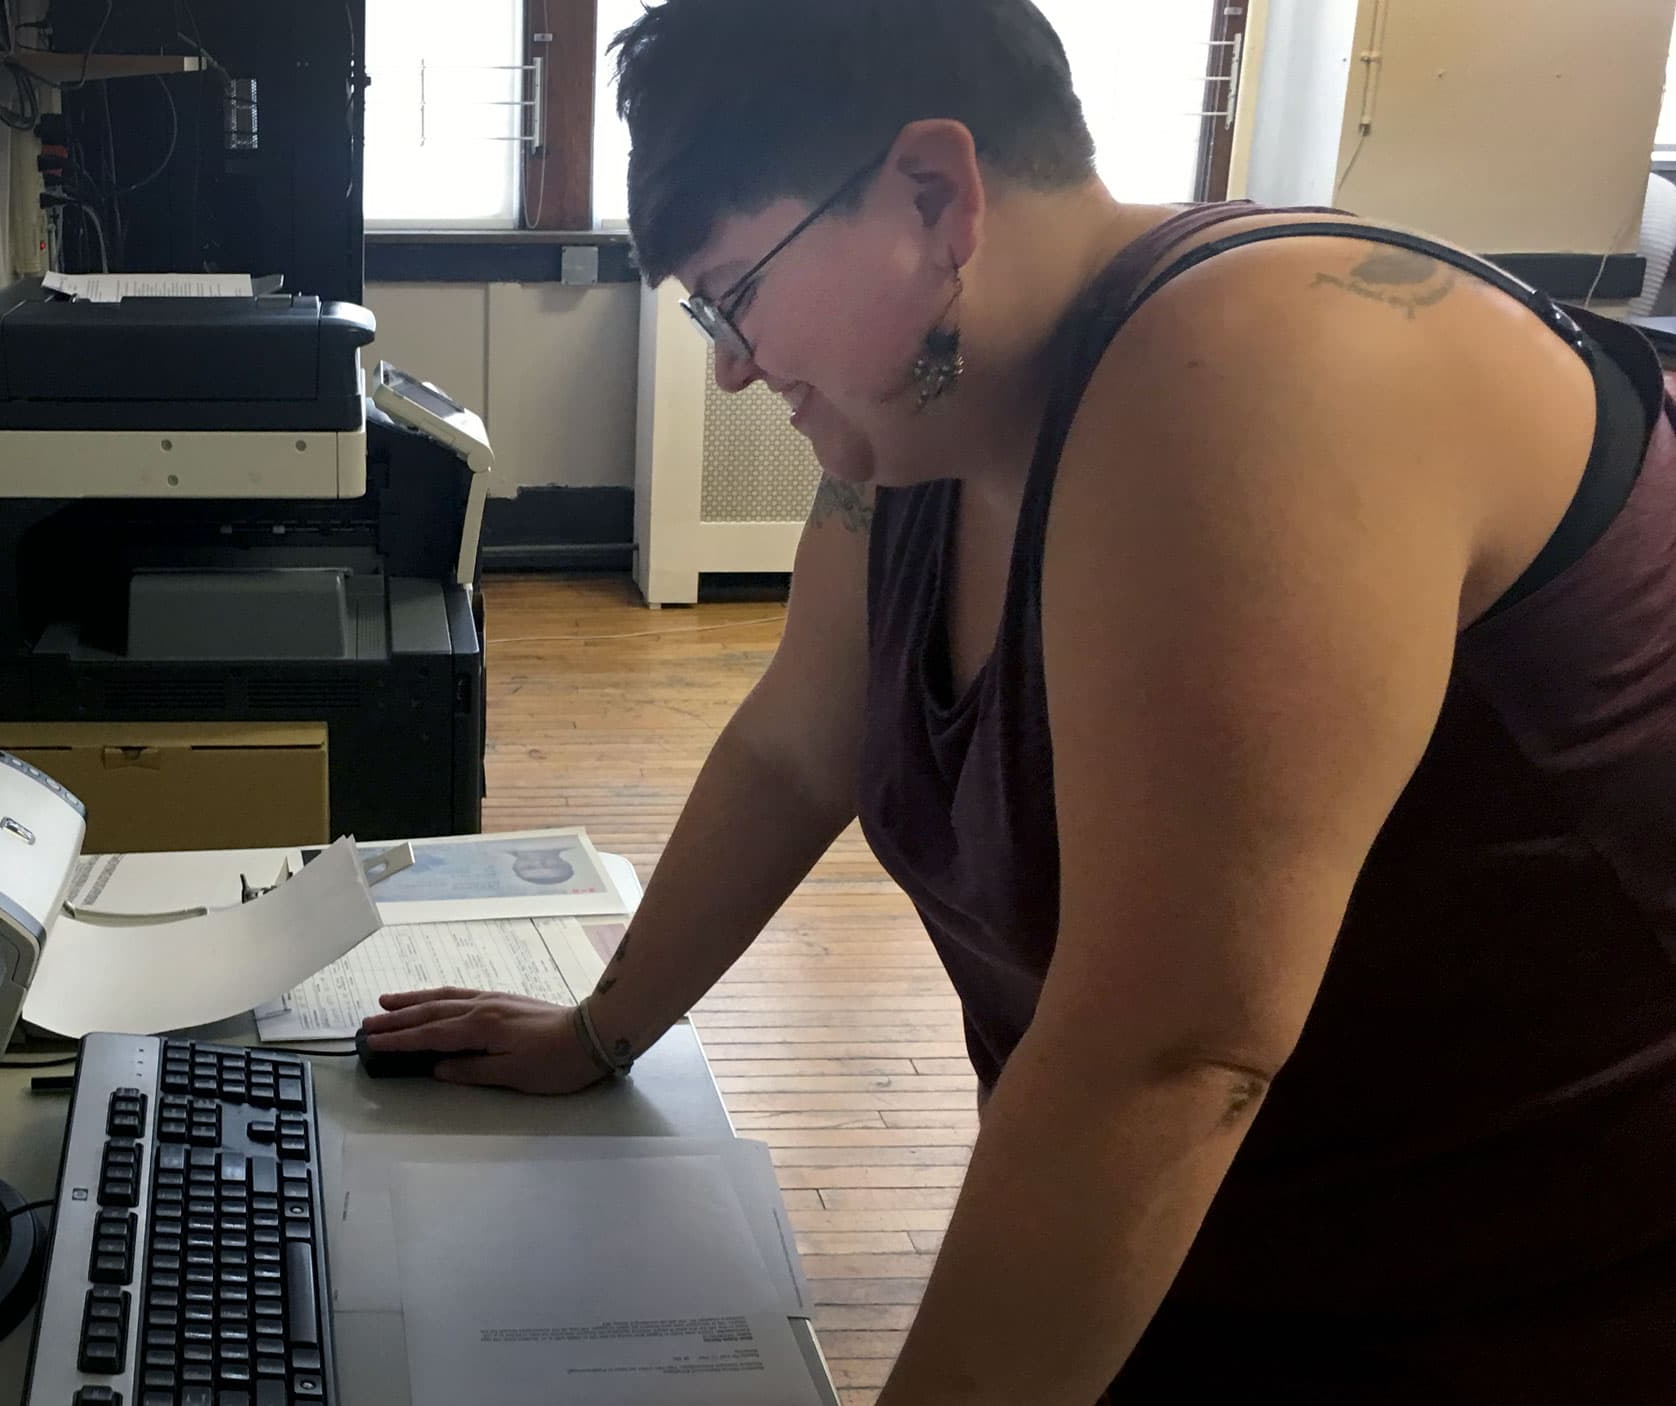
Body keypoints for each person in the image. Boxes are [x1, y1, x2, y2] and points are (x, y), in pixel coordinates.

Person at [357, 1, 1676, 1399]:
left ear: (934, 193)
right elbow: (797, 748)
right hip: (1229, 1246)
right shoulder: (920, 433)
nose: (732, 362)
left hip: (1549, 1297)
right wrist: (598, 1029)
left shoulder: (1252, 366)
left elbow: (1168, 1053)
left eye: (738, 290)